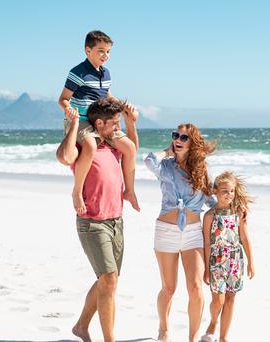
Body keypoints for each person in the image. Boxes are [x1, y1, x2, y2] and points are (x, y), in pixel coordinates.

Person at [67, 97, 138, 342]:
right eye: (114, 123)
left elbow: (132, 150)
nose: (117, 128)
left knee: (108, 280)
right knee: (108, 280)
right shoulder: (85, 148)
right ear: (99, 123)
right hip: (92, 221)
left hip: (116, 220)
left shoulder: (112, 146)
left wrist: (131, 123)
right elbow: (65, 155)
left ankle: (81, 327)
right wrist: (73, 125)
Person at [144, 123, 217, 342]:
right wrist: (167, 151)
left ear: (193, 142)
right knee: (169, 287)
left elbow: (211, 200)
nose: (178, 139)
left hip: (193, 233)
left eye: (184, 137)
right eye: (176, 136)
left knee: (195, 288)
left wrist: (233, 211)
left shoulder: (202, 169)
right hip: (166, 231)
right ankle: (163, 329)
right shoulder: (165, 166)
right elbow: (148, 160)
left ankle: (192, 338)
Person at [55, 30, 140, 216]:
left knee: (130, 147)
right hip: (82, 120)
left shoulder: (106, 73)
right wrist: (68, 109)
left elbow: (106, 95)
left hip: (102, 121)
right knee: (90, 145)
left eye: (108, 51)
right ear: (88, 50)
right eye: (101, 51)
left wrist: (123, 107)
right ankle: (77, 192)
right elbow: (62, 99)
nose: (105, 56)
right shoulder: (77, 73)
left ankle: (129, 190)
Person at [199, 172, 255, 342]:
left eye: (231, 191)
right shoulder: (209, 216)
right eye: (224, 191)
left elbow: (244, 238)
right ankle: (214, 321)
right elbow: (207, 243)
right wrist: (207, 269)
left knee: (231, 298)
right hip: (216, 261)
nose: (228, 195)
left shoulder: (239, 213)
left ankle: (223, 338)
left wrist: (251, 262)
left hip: (235, 260)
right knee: (219, 300)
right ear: (215, 191)